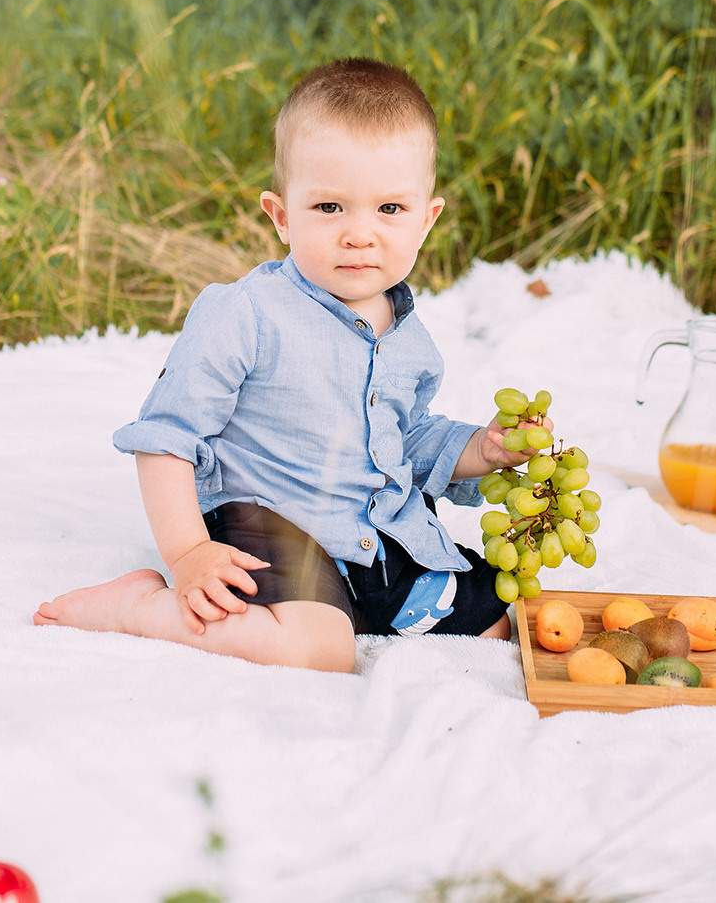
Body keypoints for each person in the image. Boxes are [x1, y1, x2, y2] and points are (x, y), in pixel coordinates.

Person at [33, 58, 525, 671]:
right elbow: (165, 437)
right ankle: (138, 607)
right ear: (280, 214)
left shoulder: (412, 340)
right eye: (329, 208)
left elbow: (404, 439)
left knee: (499, 623)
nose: (360, 234)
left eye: (390, 210)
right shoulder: (246, 313)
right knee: (319, 649)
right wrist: (188, 554)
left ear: (426, 220)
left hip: (371, 536)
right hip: (272, 522)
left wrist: (484, 448)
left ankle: (365, 599)